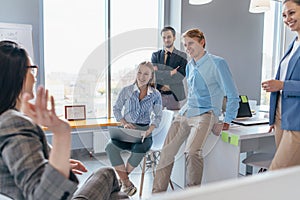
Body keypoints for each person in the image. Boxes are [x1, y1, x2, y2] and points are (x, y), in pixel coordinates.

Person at [0, 40, 128, 200]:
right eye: (33, 69)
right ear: (16, 74)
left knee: (115, 196)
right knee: (107, 174)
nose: (35, 77)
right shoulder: (13, 123)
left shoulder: (8, 120)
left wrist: (58, 161)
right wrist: (62, 132)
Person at [152, 28, 240, 193]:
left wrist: (227, 121)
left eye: (190, 43)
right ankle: (157, 195)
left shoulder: (218, 63)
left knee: (192, 152)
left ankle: (192, 195)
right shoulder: (190, 65)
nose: (187, 48)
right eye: (185, 45)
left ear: (202, 42)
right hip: (185, 113)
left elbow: (233, 95)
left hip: (206, 114)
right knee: (166, 153)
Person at [105, 61, 162, 196]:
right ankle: (126, 183)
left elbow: (158, 116)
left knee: (139, 149)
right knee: (110, 147)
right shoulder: (126, 91)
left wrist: (150, 129)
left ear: (151, 77)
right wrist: (124, 123)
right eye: (139, 72)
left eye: (146, 74)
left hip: (144, 131)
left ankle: (122, 181)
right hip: (127, 129)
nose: (142, 76)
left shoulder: (155, 94)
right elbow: (117, 109)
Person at [262, 0, 300, 170]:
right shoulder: (293, 45)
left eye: (292, 13)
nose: (287, 19)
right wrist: (273, 117)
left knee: (276, 173)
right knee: (289, 176)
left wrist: (282, 84)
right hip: (281, 117)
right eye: (284, 15)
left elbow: (283, 84)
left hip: (297, 118)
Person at [151, 26, 188, 110]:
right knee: (157, 121)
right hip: (158, 95)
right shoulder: (155, 55)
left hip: (174, 96)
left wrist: (161, 74)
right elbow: (154, 75)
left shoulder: (182, 56)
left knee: (173, 122)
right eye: (164, 37)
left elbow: (180, 76)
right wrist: (170, 73)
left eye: (169, 37)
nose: (166, 40)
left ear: (174, 38)